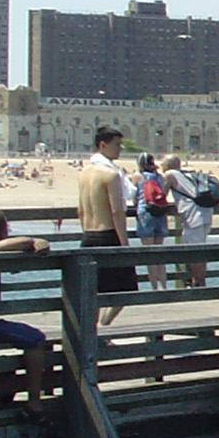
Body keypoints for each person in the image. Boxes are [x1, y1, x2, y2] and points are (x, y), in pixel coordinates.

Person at [0, 210, 52, 414]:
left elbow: (15, 266)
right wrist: (33, 240)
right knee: (35, 339)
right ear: (3, 231)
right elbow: (12, 244)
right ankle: (34, 401)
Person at [78, 125, 137, 322]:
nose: (120, 149)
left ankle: (91, 332)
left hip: (88, 235)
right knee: (127, 288)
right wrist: (124, 243)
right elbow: (117, 211)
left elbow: (80, 210)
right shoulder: (111, 175)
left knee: (92, 291)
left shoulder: (84, 173)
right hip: (108, 235)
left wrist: (85, 231)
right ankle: (105, 324)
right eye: (117, 145)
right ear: (102, 145)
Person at [162, 154, 214, 288]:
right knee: (199, 251)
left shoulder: (170, 174)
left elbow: (162, 195)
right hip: (206, 213)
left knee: (195, 253)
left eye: (162, 164)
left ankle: (199, 285)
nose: (161, 167)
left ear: (168, 165)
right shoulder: (189, 173)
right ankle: (198, 282)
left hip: (193, 217)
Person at [134, 151, 172, 292]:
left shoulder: (139, 177)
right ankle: (164, 286)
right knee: (159, 253)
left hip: (146, 213)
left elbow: (135, 197)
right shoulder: (160, 177)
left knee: (149, 253)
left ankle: (153, 288)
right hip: (160, 213)